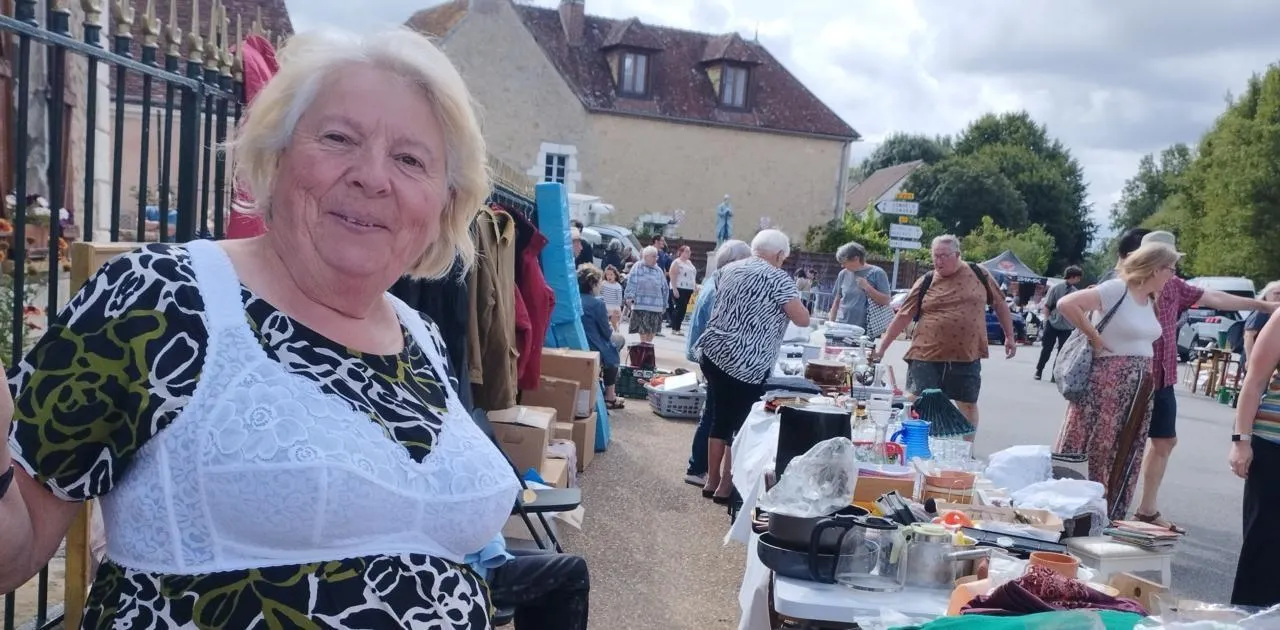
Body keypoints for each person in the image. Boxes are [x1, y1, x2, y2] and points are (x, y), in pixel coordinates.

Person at [0, 27, 523, 627]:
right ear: (276, 156)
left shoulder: (423, 338)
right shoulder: (163, 298)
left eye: (410, 160)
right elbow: (14, 548)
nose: (373, 177)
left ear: (444, 202)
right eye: (339, 138)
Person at [1110, 230, 1277, 532]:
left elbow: (1214, 297)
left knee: (1164, 441)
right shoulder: (1123, 285)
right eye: (1168, 264)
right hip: (1129, 380)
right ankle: (1103, 506)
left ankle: (1146, 510)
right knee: (1118, 443)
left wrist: (1263, 306)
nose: (1172, 270)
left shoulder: (1174, 286)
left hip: (1162, 378)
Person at [1053, 243, 1178, 521]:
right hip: (1107, 383)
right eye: (1170, 269)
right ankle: (1079, 511)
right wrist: (1094, 336)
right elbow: (1066, 304)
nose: (1173, 275)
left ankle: (1107, 511)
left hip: (1136, 388)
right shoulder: (1117, 289)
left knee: (1122, 447)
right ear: (1155, 268)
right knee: (1098, 445)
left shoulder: (1150, 299)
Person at [695, 230, 810, 502]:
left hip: (714, 351)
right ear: (779, 255)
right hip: (747, 361)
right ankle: (726, 486)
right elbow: (802, 319)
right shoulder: (779, 279)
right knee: (740, 424)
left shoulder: (727, 269)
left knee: (719, 418)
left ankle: (711, 480)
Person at [873, 235, 1015, 435]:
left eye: (944, 256)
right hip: (926, 353)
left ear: (957, 255)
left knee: (967, 404)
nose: (938, 261)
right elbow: (904, 315)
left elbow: (1000, 304)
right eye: (935, 256)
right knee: (916, 402)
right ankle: (912, 444)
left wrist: (1009, 336)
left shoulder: (979, 273)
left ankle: (966, 448)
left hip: (966, 355)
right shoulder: (927, 280)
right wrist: (882, 348)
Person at [681, 239, 752, 488]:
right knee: (715, 415)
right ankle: (698, 467)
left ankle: (699, 467)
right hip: (715, 357)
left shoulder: (715, 281)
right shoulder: (721, 286)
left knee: (713, 413)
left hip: (709, 356)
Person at [1227, 307, 1280, 607]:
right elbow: (1255, 380)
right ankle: (1251, 618)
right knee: (1265, 544)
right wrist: (1241, 441)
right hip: (1273, 444)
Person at [578, 264, 625, 409]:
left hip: (578, 342)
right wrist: (610, 322)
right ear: (593, 284)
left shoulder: (574, 299)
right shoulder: (597, 303)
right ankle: (610, 395)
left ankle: (607, 389)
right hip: (593, 344)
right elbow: (606, 332)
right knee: (617, 342)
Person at [828, 241, 891, 333]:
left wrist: (867, 287)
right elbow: (837, 301)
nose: (842, 266)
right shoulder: (843, 274)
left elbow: (886, 300)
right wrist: (831, 324)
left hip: (867, 329)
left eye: (844, 262)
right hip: (842, 326)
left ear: (856, 259)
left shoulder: (877, 273)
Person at [1035, 266, 1084, 381]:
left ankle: (1055, 374)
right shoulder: (1056, 288)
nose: (1079, 280)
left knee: (1062, 352)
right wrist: (1046, 320)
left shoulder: (1075, 293)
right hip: (1053, 323)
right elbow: (1047, 305)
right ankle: (1039, 370)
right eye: (1078, 277)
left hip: (1067, 326)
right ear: (1073, 277)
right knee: (1046, 349)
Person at [623, 246, 669, 346]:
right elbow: (631, 282)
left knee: (652, 331)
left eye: (656, 256)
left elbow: (665, 288)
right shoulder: (637, 267)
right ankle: (644, 349)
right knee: (643, 331)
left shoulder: (658, 270)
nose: (656, 259)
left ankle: (646, 348)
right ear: (646, 256)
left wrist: (665, 304)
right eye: (654, 256)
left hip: (656, 307)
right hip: (641, 305)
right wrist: (629, 297)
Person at [1243, 280, 1280, 361]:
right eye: (1277, 293)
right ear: (1266, 295)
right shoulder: (1262, 312)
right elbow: (1248, 336)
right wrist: (1250, 360)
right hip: (1257, 358)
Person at [668, 245, 698, 334]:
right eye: (687, 251)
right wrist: (674, 288)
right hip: (679, 287)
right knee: (679, 307)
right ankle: (675, 328)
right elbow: (673, 275)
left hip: (688, 288)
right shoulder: (677, 262)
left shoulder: (689, 263)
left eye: (689, 251)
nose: (689, 253)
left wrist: (695, 286)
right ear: (681, 252)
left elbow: (692, 276)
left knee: (684, 308)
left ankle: (678, 327)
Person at [600, 265, 625, 331]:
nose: (609, 276)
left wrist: (618, 309)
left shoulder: (617, 286)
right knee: (605, 324)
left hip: (614, 308)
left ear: (615, 275)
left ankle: (617, 333)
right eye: (607, 274)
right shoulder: (603, 283)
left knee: (614, 324)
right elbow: (600, 293)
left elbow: (619, 299)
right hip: (605, 307)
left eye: (611, 274)